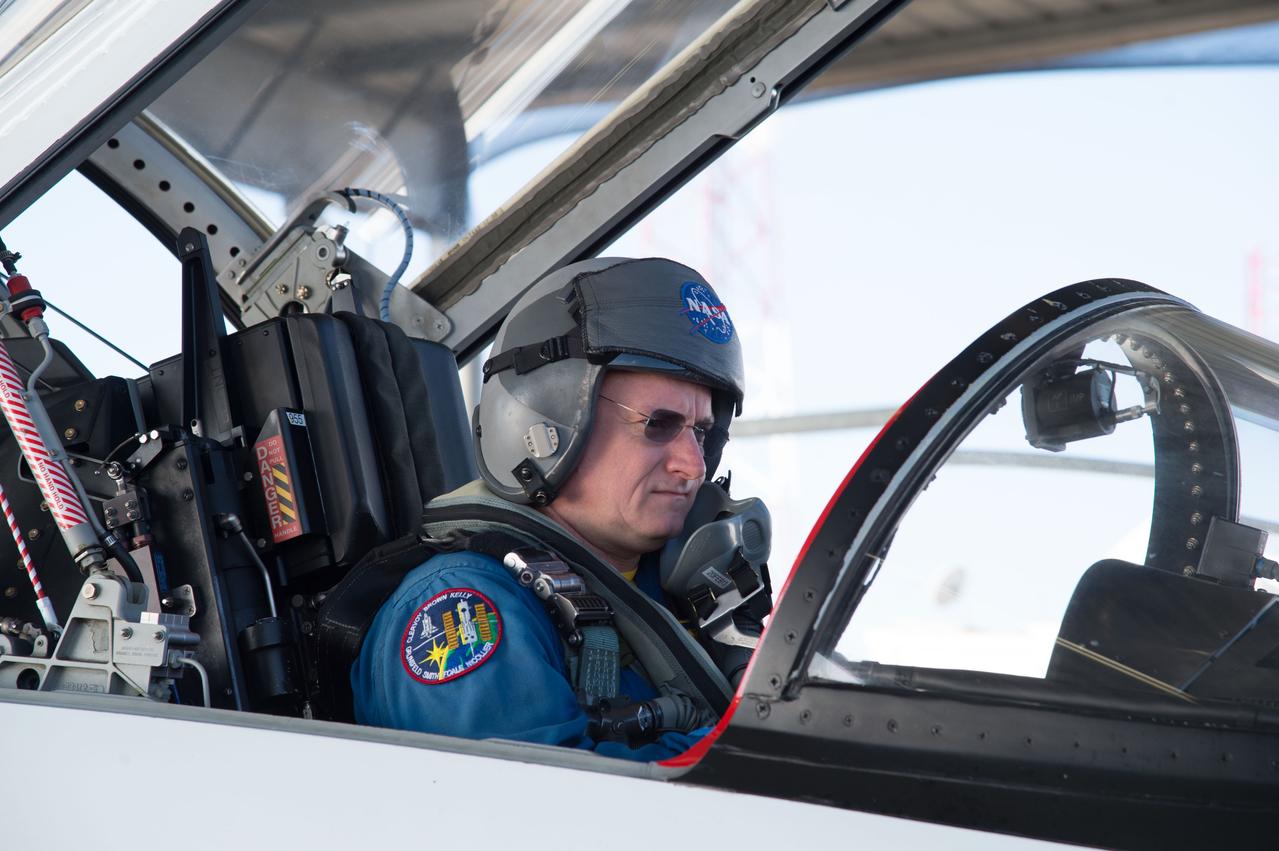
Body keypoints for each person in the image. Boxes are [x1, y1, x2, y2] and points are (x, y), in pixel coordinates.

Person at [351, 257, 766, 761]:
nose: (692, 465)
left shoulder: (681, 599)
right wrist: (756, 752)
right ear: (548, 422)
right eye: (658, 424)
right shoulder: (462, 607)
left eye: (702, 433)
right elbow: (535, 816)